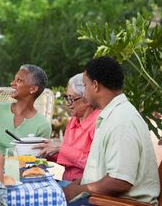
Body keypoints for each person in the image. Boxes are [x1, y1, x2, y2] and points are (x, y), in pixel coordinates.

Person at [63, 57, 160, 205]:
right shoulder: (114, 114)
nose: (84, 92)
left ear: (95, 85)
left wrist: (78, 190)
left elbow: (120, 181)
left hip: (115, 202)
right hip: (103, 198)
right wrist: (78, 184)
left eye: (85, 84)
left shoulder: (121, 121)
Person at [0, 64, 52, 153]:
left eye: (19, 80)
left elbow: (38, 159)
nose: (12, 83)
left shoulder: (43, 126)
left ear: (33, 89)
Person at [37, 73, 100, 182]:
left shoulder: (98, 122)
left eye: (71, 99)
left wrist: (61, 149)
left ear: (88, 99)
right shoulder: (73, 121)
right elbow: (67, 159)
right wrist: (46, 151)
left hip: (85, 187)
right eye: (66, 97)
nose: (67, 104)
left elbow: (96, 165)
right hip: (67, 182)